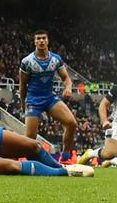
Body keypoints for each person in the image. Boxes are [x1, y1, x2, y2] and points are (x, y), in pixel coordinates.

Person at [17, 30, 78, 162]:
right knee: (30, 138)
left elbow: (66, 78)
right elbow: (22, 85)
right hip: (33, 100)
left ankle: (66, 157)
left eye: (44, 38)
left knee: (72, 123)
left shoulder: (56, 59)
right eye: (38, 38)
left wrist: (68, 87)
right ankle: (26, 160)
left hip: (50, 98)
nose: (41, 41)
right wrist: (23, 105)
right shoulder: (27, 61)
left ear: (47, 41)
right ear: (34, 42)